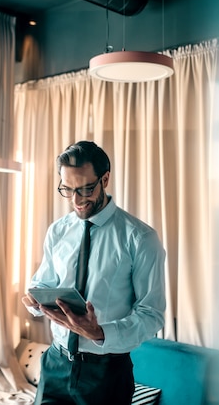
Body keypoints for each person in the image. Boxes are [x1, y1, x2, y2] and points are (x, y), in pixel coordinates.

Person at [21, 141, 166, 405]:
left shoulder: (141, 238)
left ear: (105, 179)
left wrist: (100, 332)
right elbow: (44, 281)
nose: (76, 200)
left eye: (85, 189)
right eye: (67, 189)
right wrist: (36, 301)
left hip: (106, 373)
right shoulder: (58, 230)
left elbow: (152, 314)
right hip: (55, 363)